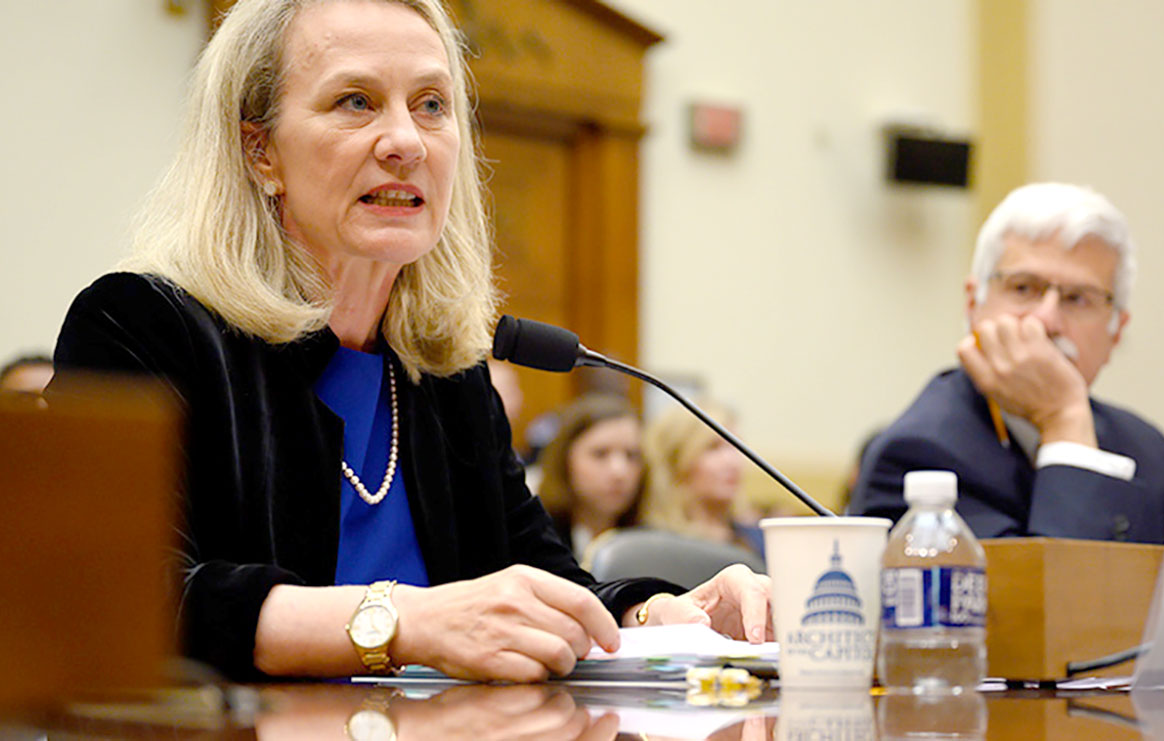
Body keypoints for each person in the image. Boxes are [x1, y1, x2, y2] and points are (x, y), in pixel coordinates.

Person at [50, 0, 770, 683]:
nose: (404, 141)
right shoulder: (139, 327)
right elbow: (110, 599)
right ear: (259, 149)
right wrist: (401, 619)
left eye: (431, 105)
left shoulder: (445, 374)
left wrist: (663, 614)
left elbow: (548, 581)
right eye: (355, 101)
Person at [847, 183, 1164, 543]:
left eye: (1078, 299)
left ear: (1116, 331)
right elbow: (1053, 596)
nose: (1046, 321)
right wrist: (1063, 420)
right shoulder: (917, 455)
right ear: (973, 305)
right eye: (1024, 288)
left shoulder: (1151, 452)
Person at [642, 401, 765, 557]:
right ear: (677, 460)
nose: (732, 461)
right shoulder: (649, 546)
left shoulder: (758, 540)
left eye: (737, 446)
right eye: (713, 447)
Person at [536, 394, 645, 559]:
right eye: (600, 454)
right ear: (565, 460)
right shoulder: (535, 536)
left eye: (631, 455)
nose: (620, 471)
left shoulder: (652, 543)